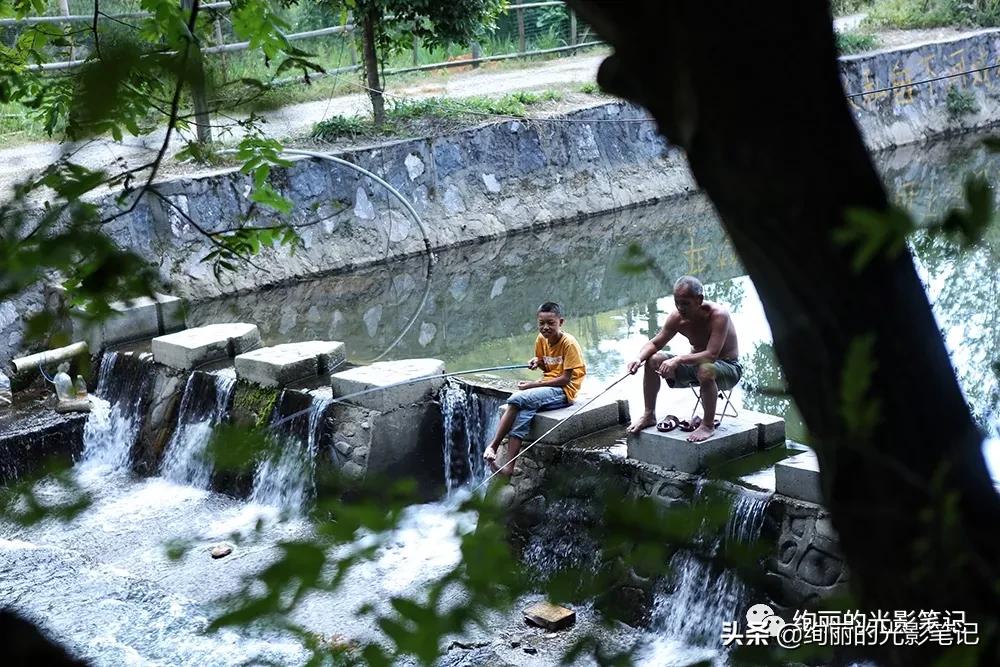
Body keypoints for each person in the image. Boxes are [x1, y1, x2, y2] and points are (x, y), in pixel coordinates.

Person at [625, 275, 741, 442]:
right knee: (653, 360)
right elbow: (655, 343)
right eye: (677, 302)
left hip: (727, 368)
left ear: (699, 300)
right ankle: (649, 414)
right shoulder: (676, 318)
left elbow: (711, 355)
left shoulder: (718, 315)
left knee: (705, 368)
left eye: (686, 303)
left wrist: (678, 360)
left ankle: (708, 425)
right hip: (696, 367)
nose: (680, 308)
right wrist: (638, 358)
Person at [484, 302, 586, 476]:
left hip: (565, 391)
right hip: (548, 385)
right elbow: (546, 365)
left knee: (516, 399)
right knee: (524, 414)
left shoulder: (569, 343)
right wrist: (537, 362)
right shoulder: (541, 339)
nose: (545, 327)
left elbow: (564, 379)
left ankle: (493, 445)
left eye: (551, 323)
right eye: (541, 323)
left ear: (560, 322)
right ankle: (508, 467)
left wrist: (532, 385)